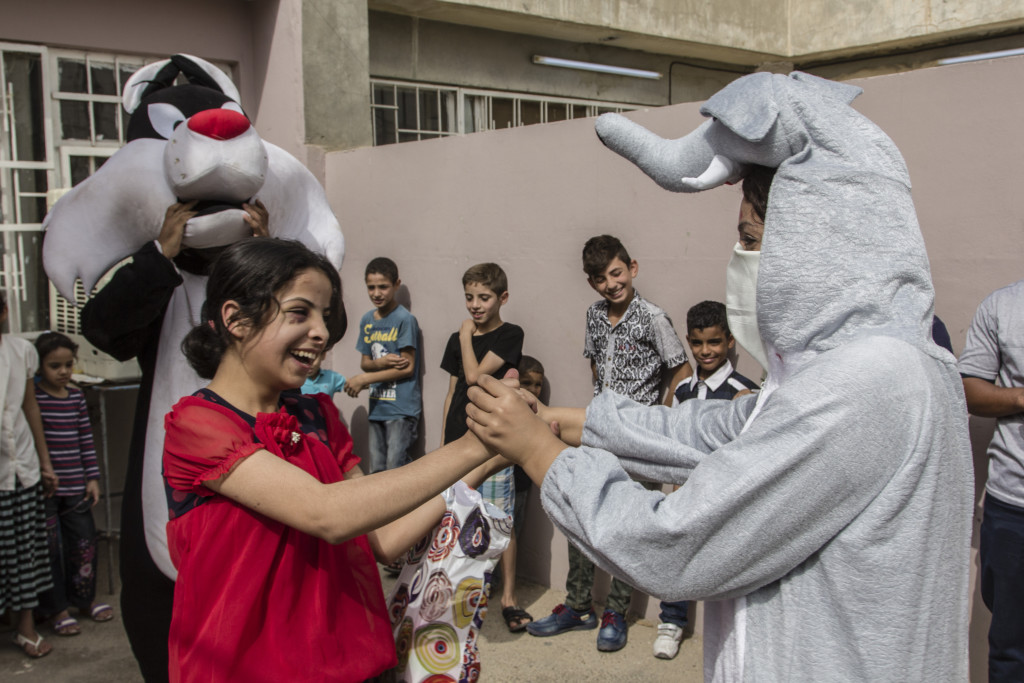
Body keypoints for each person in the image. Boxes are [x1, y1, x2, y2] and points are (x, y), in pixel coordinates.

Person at [465, 120, 972, 681]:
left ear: (812, 243)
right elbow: (712, 428)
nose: (741, 258)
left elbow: (677, 543)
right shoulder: (858, 366)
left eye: (752, 241)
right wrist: (563, 422)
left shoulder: (867, 382)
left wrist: (542, 455)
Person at [162, 238, 504, 682]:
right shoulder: (198, 424)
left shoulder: (317, 414)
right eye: (300, 313)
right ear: (236, 319)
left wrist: (488, 458)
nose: (322, 332)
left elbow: (379, 536)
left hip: (351, 664)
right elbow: (328, 512)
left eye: (325, 316)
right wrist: (477, 443)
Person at [527, 235, 690, 652]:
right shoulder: (594, 316)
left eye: (616, 273)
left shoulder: (654, 317)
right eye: (600, 279)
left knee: (628, 523)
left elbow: (680, 371)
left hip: (639, 438)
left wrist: (660, 421)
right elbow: (596, 365)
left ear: (632, 268)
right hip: (598, 431)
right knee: (583, 510)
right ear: (591, 282)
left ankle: (616, 611)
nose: (610, 284)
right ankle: (579, 606)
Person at [654, 301, 758, 660]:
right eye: (697, 344)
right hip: (685, 489)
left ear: (730, 341)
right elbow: (674, 440)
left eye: (714, 342)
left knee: (727, 558)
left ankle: (732, 634)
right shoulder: (683, 390)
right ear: (688, 341)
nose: (705, 351)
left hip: (724, 492)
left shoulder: (743, 391)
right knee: (677, 551)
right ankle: (671, 621)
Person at [959, 282, 1024, 682]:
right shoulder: (1004, 306)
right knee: (1011, 648)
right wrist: (1020, 398)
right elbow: (969, 390)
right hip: (1014, 506)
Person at [34, 332, 114, 636]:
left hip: (77, 486)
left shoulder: (76, 397)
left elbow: (85, 440)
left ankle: (85, 600)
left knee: (84, 544)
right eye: (55, 365)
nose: (63, 371)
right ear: (40, 365)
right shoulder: (35, 399)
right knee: (50, 550)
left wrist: (92, 478)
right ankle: (57, 609)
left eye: (68, 364)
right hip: (47, 490)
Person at [0, 291, 58, 658]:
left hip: (21, 467)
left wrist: (44, 461)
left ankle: (24, 626)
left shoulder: (20, 351)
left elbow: (30, 407)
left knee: (25, 550)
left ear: (4, 312)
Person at [440, 263, 523, 514]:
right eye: (469, 297)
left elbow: (475, 376)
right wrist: (444, 441)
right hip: (457, 440)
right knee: (455, 517)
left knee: (495, 519)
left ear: (503, 298)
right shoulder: (455, 341)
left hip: (492, 444)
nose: (475, 305)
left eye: (484, 298)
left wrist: (466, 335)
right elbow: (452, 392)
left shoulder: (510, 334)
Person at [344, 257, 421, 474]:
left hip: (401, 409)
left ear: (396, 285)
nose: (377, 293)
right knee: (376, 470)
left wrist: (364, 379)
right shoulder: (367, 320)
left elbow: (407, 367)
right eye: (371, 287)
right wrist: (382, 362)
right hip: (378, 407)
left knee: (395, 469)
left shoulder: (404, 319)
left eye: (383, 287)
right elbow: (365, 363)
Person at [498, 354, 544, 632]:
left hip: (523, 484)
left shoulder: (539, 415)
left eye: (538, 385)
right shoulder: (509, 413)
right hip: (501, 484)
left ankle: (507, 587)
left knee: (516, 528)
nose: (534, 389)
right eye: (528, 383)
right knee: (501, 533)